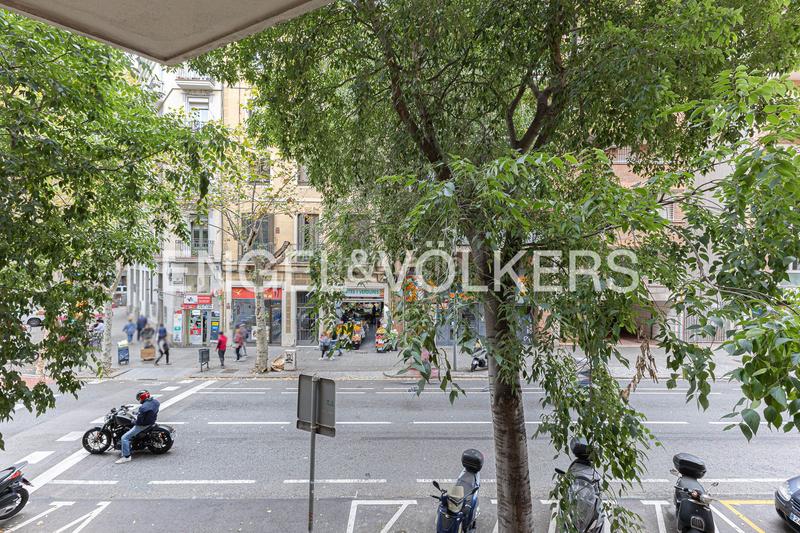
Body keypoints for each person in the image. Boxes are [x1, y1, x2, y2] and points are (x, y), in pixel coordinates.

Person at [116, 390, 160, 464]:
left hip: (143, 425)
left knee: (124, 438)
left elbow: (139, 422)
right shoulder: (155, 402)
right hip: (151, 421)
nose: (139, 399)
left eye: (139, 398)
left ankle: (126, 457)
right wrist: (136, 413)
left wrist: (133, 421)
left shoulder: (143, 408)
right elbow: (147, 412)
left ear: (142, 397)